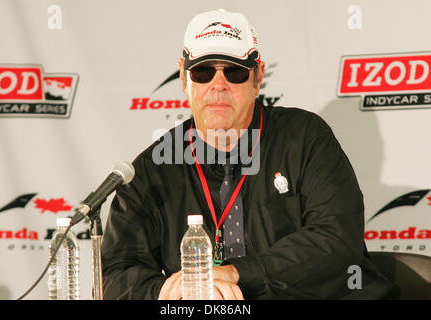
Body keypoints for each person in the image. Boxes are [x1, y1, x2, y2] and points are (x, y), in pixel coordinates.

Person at [101, 9, 392, 300]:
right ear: (183, 77)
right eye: (202, 72)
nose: (218, 85)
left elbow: (337, 236)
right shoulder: (153, 169)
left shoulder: (304, 137)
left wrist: (236, 272)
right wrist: (165, 291)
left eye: (234, 71)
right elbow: (115, 271)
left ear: (258, 76)